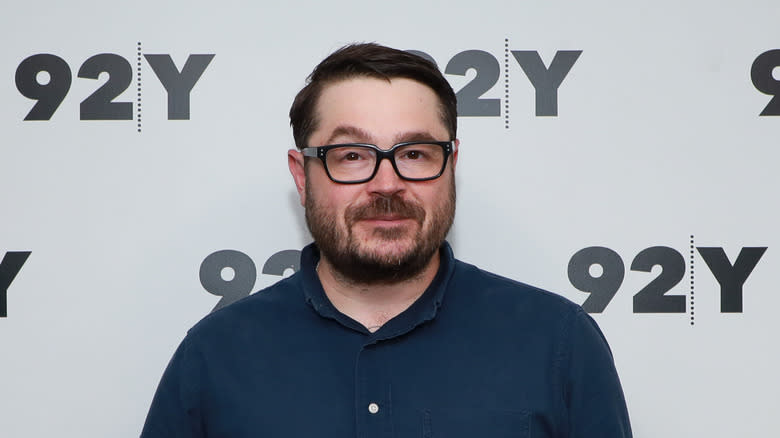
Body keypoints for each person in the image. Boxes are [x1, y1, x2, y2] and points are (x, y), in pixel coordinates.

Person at [141, 43, 632, 437]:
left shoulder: (558, 343)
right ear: (302, 174)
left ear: (451, 165)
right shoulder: (215, 355)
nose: (387, 183)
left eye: (414, 153)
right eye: (352, 155)